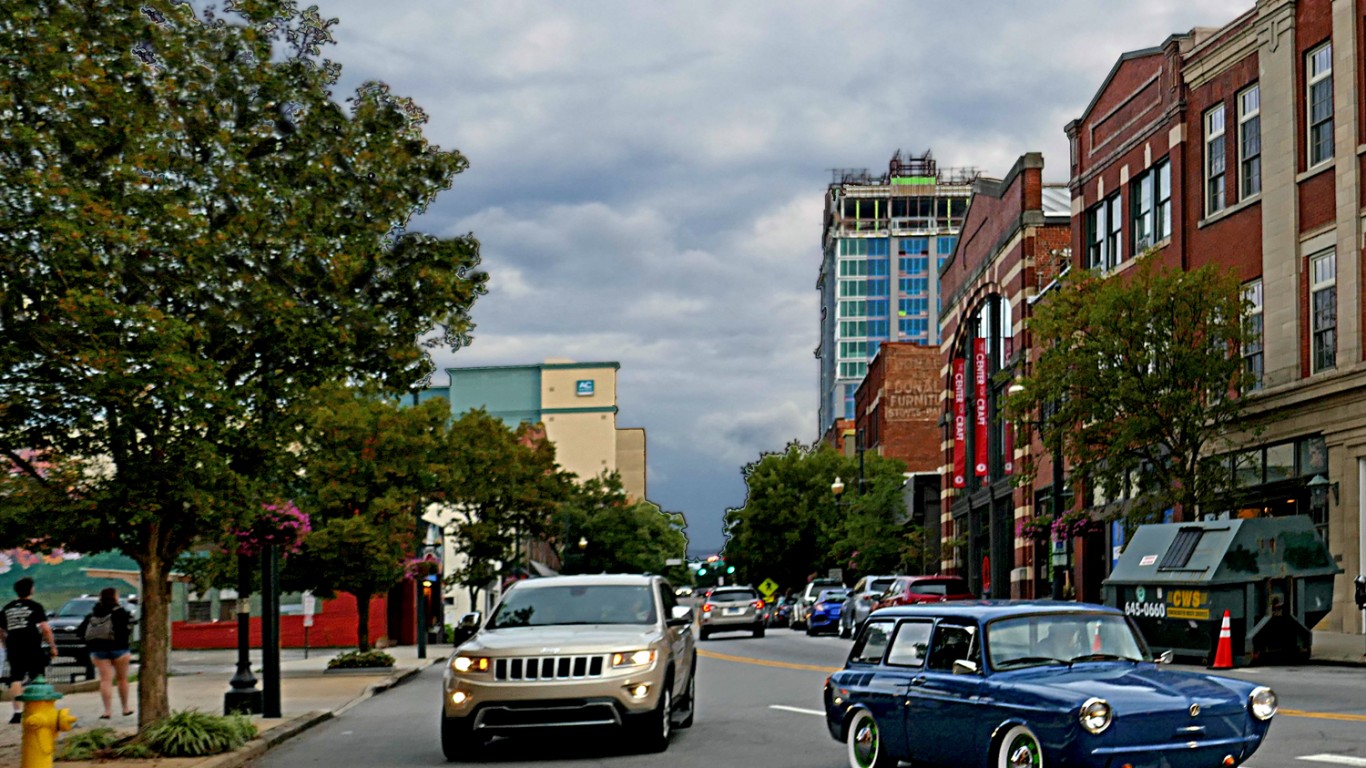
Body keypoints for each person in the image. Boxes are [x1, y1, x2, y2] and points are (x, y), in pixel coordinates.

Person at [1, 577, 58, 724]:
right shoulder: (35, 606)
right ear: (31, 589)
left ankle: (17, 712)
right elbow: (45, 628)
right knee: (38, 676)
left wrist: (5, 644)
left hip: (14, 645)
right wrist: (52, 646)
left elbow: (1, 630)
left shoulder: (7, 608)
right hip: (32, 644)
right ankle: (38, 708)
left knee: (16, 677)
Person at [77, 587, 135, 719]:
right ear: (115, 597)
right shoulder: (120, 612)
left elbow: (81, 631)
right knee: (122, 679)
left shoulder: (94, 614)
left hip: (98, 651)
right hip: (119, 649)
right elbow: (126, 629)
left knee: (105, 680)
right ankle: (125, 708)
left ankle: (107, 711)